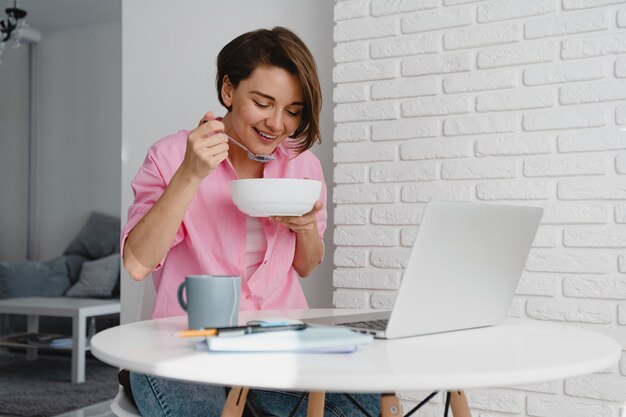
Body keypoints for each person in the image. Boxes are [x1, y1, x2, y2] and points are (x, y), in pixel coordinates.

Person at [120, 27, 380, 417]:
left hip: (278, 342)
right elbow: (137, 264)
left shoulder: (302, 165)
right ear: (228, 91)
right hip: (184, 345)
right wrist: (189, 175)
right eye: (263, 103)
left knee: (363, 401)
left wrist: (306, 227)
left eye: (293, 111)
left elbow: (307, 266)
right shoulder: (171, 155)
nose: (278, 124)